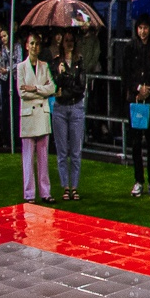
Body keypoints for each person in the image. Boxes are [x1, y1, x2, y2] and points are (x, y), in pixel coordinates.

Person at [121, 15, 150, 197]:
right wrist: (138, 88)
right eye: (140, 28)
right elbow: (125, 73)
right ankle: (138, 180)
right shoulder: (130, 47)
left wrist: (148, 89)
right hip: (135, 100)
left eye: (146, 28)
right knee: (136, 142)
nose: (143, 31)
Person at [16, 34, 55, 203]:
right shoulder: (21, 67)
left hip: (42, 115)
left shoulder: (44, 66)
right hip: (28, 115)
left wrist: (35, 88)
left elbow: (52, 88)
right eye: (31, 43)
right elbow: (22, 92)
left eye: (37, 44)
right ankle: (29, 194)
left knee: (43, 157)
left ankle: (45, 192)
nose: (34, 46)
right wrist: (41, 91)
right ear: (26, 46)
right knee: (28, 158)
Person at [51, 34, 87, 203]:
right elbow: (55, 85)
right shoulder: (56, 62)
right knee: (62, 151)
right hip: (60, 108)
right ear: (62, 43)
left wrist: (66, 84)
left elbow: (81, 87)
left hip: (76, 107)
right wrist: (61, 76)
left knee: (76, 151)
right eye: (67, 41)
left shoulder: (80, 62)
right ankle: (65, 186)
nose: (69, 43)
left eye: (72, 40)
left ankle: (75, 186)